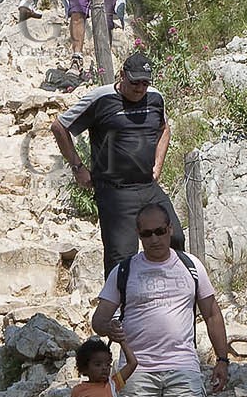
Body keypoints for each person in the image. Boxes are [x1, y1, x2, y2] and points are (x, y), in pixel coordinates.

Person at [91, 203, 229, 397]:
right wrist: (108, 328)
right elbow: (98, 319)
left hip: (183, 365)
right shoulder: (123, 271)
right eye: (147, 234)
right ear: (138, 234)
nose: (154, 239)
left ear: (170, 230)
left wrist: (222, 359)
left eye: (159, 231)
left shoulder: (191, 266)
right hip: (137, 370)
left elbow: (211, 313)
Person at [51, 50, 185, 273]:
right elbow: (59, 127)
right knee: (121, 260)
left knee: (175, 239)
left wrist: (157, 165)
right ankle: (120, 307)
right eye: (135, 83)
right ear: (122, 75)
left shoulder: (155, 98)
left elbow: (164, 129)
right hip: (115, 192)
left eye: (144, 83)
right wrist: (78, 168)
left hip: (147, 186)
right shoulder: (101, 98)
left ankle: (169, 297)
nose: (140, 88)